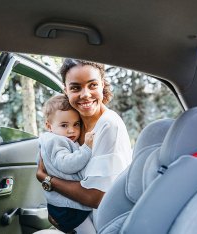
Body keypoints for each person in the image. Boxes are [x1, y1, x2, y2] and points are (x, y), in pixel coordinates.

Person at [37, 58, 132, 234]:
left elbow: (95, 197)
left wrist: (46, 179)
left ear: (102, 85)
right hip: (79, 219)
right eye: (75, 87)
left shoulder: (109, 125)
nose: (85, 94)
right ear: (65, 90)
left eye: (92, 85)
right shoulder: (76, 122)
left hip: (105, 224)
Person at [37, 94, 94, 233]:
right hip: (68, 208)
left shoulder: (57, 139)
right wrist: (86, 149)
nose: (71, 130)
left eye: (76, 124)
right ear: (49, 126)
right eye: (64, 125)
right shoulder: (56, 141)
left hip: (64, 205)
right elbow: (66, 165)